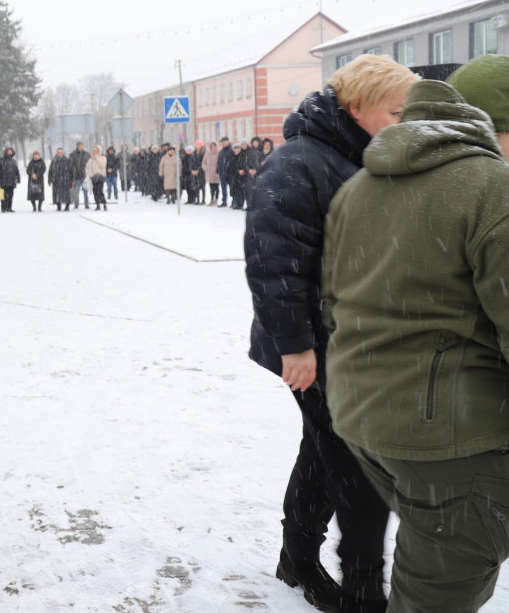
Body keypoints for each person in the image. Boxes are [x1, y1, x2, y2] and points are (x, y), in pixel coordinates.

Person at [323, 56, 509, 613]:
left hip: (368, 418)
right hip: (451, 440)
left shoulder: (362, 184)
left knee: (431, 557)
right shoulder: (491, 188)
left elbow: (338, 301)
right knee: (437, 590)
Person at [247, 53, 418, 613]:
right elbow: (273, 262)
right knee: (353, 464)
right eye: (397, 111)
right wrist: (295, 346)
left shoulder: (355, 156)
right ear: (357, 105)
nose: (404, 121)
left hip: (345, 342)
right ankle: (362, 587)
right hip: (313, 346)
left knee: (324, 453)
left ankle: (296, 555)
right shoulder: (299, 161)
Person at [0, 146, 20, 213]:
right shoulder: (1, 160)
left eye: (11, 151)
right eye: (8, 151)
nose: (10, 152)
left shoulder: (13, 161)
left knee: (11, 195)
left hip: (12, 181)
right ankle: (3, 207)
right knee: (3, 195)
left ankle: (9, 207)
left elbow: (16, 170)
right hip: (3, 181)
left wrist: (18, 178)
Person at [69, 141, 91, 209]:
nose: (81, 147)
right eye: (80, 145)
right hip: (77, 176)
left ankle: (86, 204)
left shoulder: (87, 154)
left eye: (82, 145)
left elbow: (89, 164)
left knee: (85, 191)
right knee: (76, 191)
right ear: (77, 146)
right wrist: (73, 176)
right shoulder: (73, 155)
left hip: (85, 176)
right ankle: (76, 204)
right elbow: (71, 166)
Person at [85, 145, 108, 210]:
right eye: (94, 151)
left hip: (100, 177)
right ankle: (97, 204)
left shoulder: (103, 158)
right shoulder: (90, 160)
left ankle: (104, 203)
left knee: (100, 191)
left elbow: (102, 165)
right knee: (94, 191)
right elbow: (87, 168)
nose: (95, 152)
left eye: (96, 151)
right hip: (93, 177)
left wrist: (97, 158)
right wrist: (89, 175)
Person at [216, 137, 233, 207]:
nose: (223, 143)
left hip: (230, 172)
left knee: (232, 188)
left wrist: (229, 169)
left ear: (228, 142)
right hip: (222, 172)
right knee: (223, 187)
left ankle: (234, 202)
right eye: (222, 142)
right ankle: (224, 201)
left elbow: (232, 162)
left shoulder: (231, 151)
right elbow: (219, 162)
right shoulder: (221, 152)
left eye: (225, 142)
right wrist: (218, 169)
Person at [203, 140, 220, 206]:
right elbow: (204, 162)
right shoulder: (207, 154)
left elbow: (220, 162)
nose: (212, 148)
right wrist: (206, 168)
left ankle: (216, 199)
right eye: (211, 146)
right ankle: (211, 199)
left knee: (216, 187)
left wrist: (217, 169)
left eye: (214, 146)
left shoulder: (218, 154)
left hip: (216, 173)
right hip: (209, 173)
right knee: (211, 187)